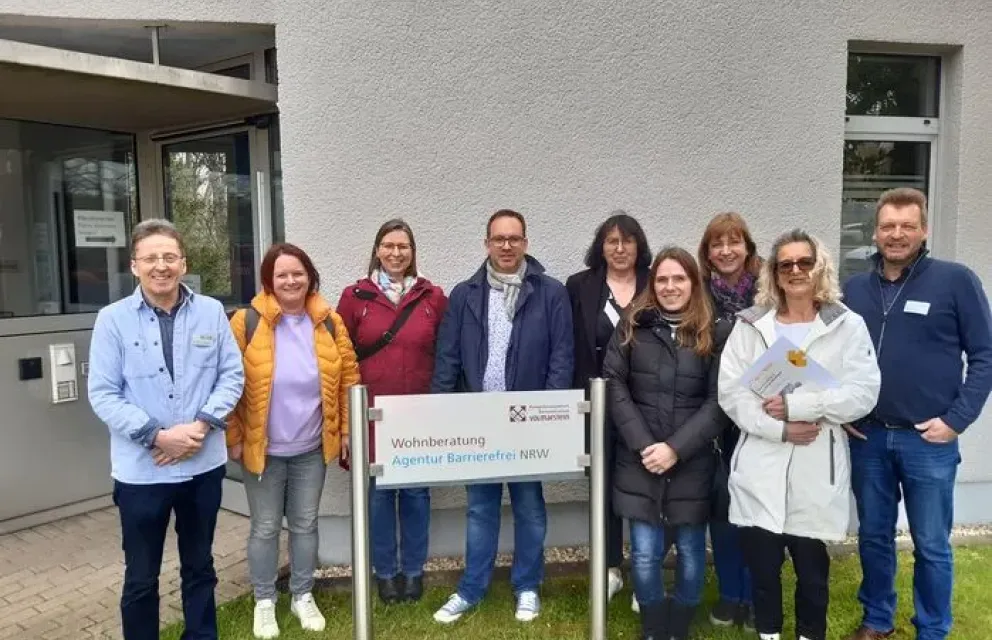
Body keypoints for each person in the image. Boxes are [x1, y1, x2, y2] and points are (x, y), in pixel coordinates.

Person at [841, 188, 992, 640]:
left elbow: (985, 355)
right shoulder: (855, 288)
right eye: (888, 226)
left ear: (923, 229)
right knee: (873, 537)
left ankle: (932, 629)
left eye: (907, 226)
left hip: (928, 440)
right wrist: (842, 411)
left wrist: (957, 419)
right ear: (876, 232)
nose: (896, 235)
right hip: (868, 437)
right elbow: (835, 356)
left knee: (931, 545)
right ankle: (877, 620)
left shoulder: (955, 281)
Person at [718, 229, 881, 640]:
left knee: (813, 575)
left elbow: (863, 394)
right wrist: (780, 428)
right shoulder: (752, 326)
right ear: (773, 272)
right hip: (761, 464)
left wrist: (799, 407)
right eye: (785, 264)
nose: (795, 271)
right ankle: (769, 635)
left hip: (815, 466)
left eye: (803, 262)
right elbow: (732, 394)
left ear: (819, 267)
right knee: (763, 573)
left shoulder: (846, 325)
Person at [87, 219, 245, 640]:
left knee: (201, 567)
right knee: (141, 577)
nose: (161, 266)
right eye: (151, 258)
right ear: (134, 265)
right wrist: (158, 436)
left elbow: (232, 376)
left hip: (202, 466)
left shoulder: (211, 312)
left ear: (184, 263)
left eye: (169, 257)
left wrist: (199, 428)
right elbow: (103, 393)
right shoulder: (112, 321)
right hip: (142, 471)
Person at [431, 209, 574, 624]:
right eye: (499, 239)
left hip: (528, 420)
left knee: (529, 505)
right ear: (487, 244)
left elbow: (561, 358)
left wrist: (552, 415)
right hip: (479, 420)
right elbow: (449, 358)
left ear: (525, 243)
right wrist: (443, 409)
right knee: (480, 507)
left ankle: (527, 586)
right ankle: (471, 589)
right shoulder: (465, 294)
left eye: (514, 239)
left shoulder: (550, 293)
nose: (506, 246)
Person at [226, 243, 360, 639]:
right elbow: (228, 384)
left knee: (304, 524)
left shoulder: (329, 322)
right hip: (263, 450)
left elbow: (349, 379)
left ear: (309, 277)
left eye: (297, 273)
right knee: (265, 527)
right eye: (281, 274)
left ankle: (303, 594)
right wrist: (233, 436)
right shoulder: (246, 322)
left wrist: (348, 431)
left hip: (310, 449)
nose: (290, 280)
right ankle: (264, 601)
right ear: (269, 281)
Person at [603, 246, 732, 640]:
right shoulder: (631, 327)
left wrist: (676, 448)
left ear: (693, 283)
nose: (670, 286)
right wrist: (645, 445)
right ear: (652, 283)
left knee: (692, 553)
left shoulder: (715, 332)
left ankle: (680, 624)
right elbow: (613, 383)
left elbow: (719, 401)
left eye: (679, 278)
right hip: (639, 459)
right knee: (643, 554)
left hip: (691, 461)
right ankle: (654, 626)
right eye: (662, 279)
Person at [336, 219, 447, 605]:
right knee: (380, 497)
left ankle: (413, 572)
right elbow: (341, 359)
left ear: (413, 251)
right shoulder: (355, 297)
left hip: (418, 415)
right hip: (372, 417)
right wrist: (345, 422)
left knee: (416, 495)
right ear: (377, 249)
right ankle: (384, 573)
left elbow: (445, 356)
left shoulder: (432, 297)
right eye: (388, 245)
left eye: (403, 246)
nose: (396, 253)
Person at [565, 211, 652, 608]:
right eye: (611, 241)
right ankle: (610, 569)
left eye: (627, 241)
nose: (619, 248)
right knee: (602, 487)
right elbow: (570, 347)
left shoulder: (656, 283)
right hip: (597, 405)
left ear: (639, 246)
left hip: (648, 406)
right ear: (601, 247)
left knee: (645, 487)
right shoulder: (580, 286)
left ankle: (644, 573)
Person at [697, 211, 761, 629]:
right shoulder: (698, 294)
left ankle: (757, 596)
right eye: (717, 244)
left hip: (760, 416)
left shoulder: (769, 292)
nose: (725, 251)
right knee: (721, 507)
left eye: (734, 242)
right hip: (714, 417)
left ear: (748, 248)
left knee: (757, 509)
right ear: (707, 252)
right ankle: (730, 594)